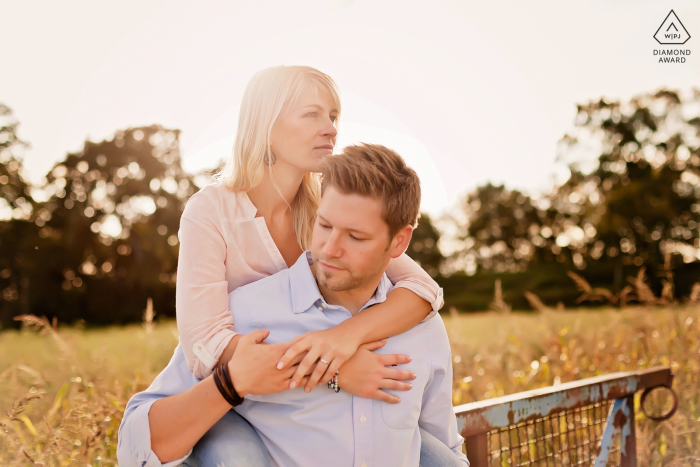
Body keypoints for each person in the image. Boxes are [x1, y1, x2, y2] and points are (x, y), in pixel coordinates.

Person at [118, 144, 468, 466]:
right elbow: (136, 446)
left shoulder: (423, 330)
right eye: (325, 225)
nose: (330, 248)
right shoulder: (247, 316)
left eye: (356, 236)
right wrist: (231, 382)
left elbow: (442, 452)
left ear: (399, 241)